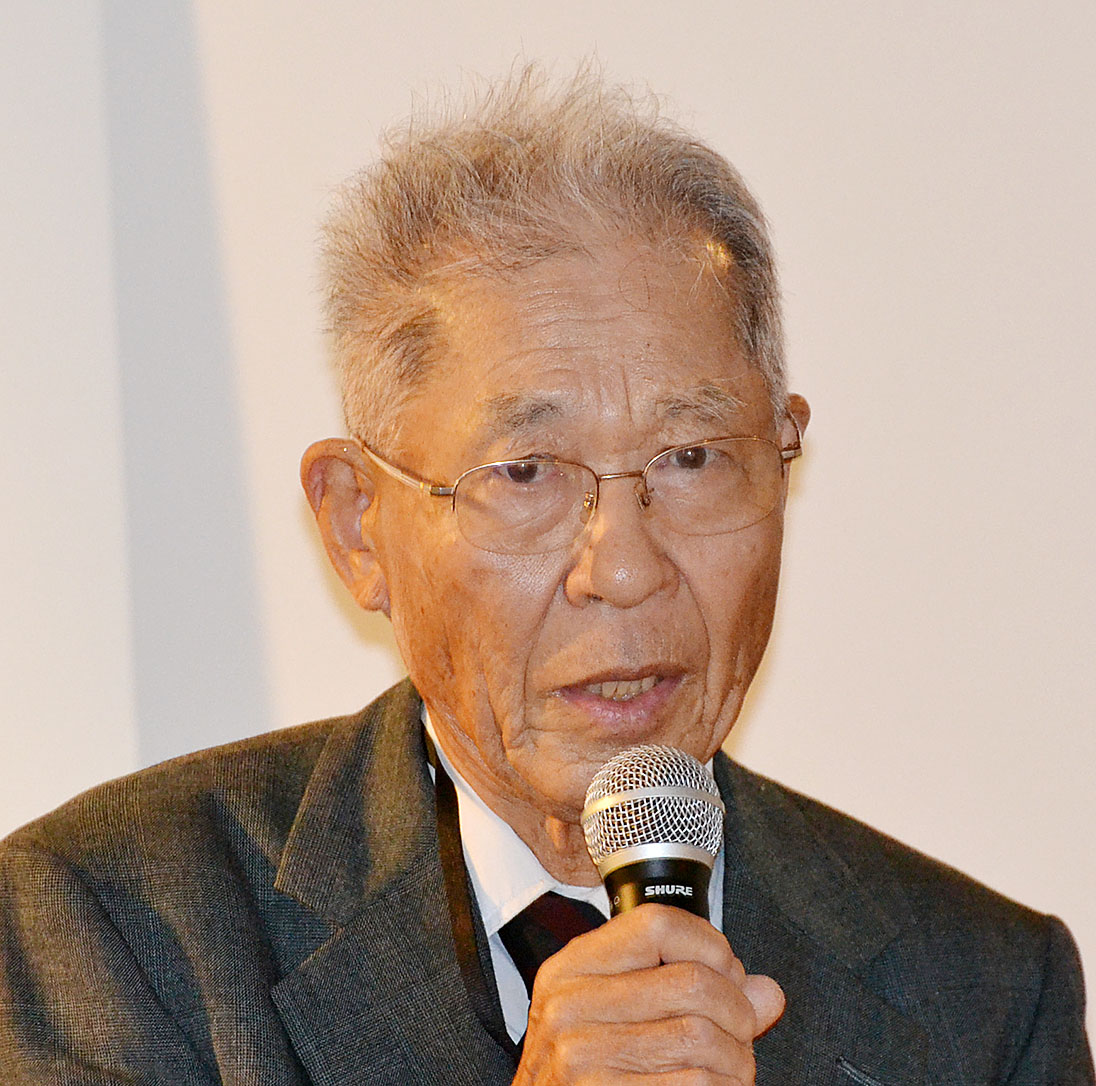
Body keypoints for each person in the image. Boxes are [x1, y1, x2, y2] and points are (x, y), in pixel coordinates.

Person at [0, 69, 1091, 1085]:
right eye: (525, 473)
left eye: (692, 458)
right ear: (358, 526)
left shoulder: (987, 997)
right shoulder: (114, 930)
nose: (623, 568)